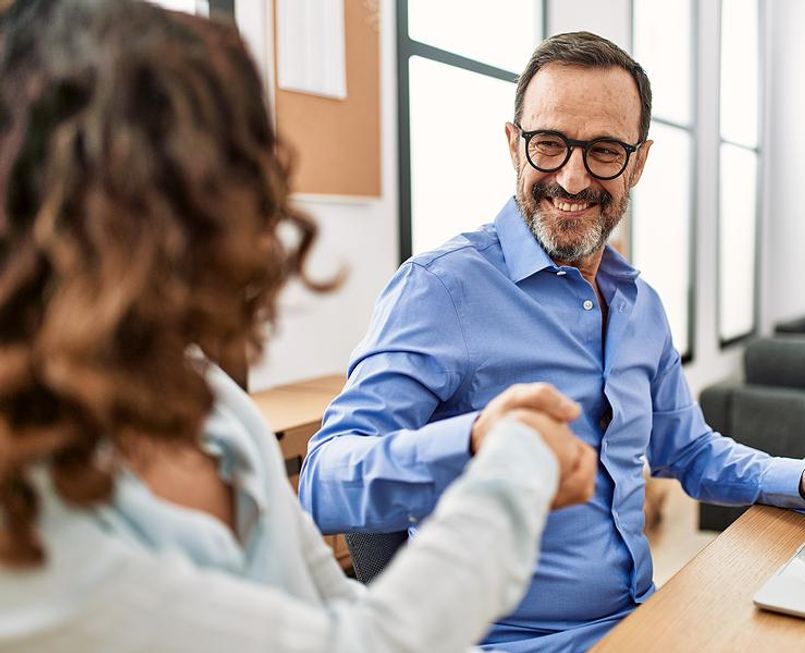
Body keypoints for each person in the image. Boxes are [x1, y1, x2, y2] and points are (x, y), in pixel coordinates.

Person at [0, 2, 598, 652]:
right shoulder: (27, 523)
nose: (259, 217)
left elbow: (334, 599)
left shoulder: (205, 399)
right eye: (221, 177)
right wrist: (511, 464)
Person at [298, 31, 805, 653]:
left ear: (639, 161)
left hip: (644, 620)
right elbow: (323, 480)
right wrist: (473, 441)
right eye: (550, 144)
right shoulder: (439, 290)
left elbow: (689, 453)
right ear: (514, 145)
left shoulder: (640, 303)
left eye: (604, 151)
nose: (572, 176)